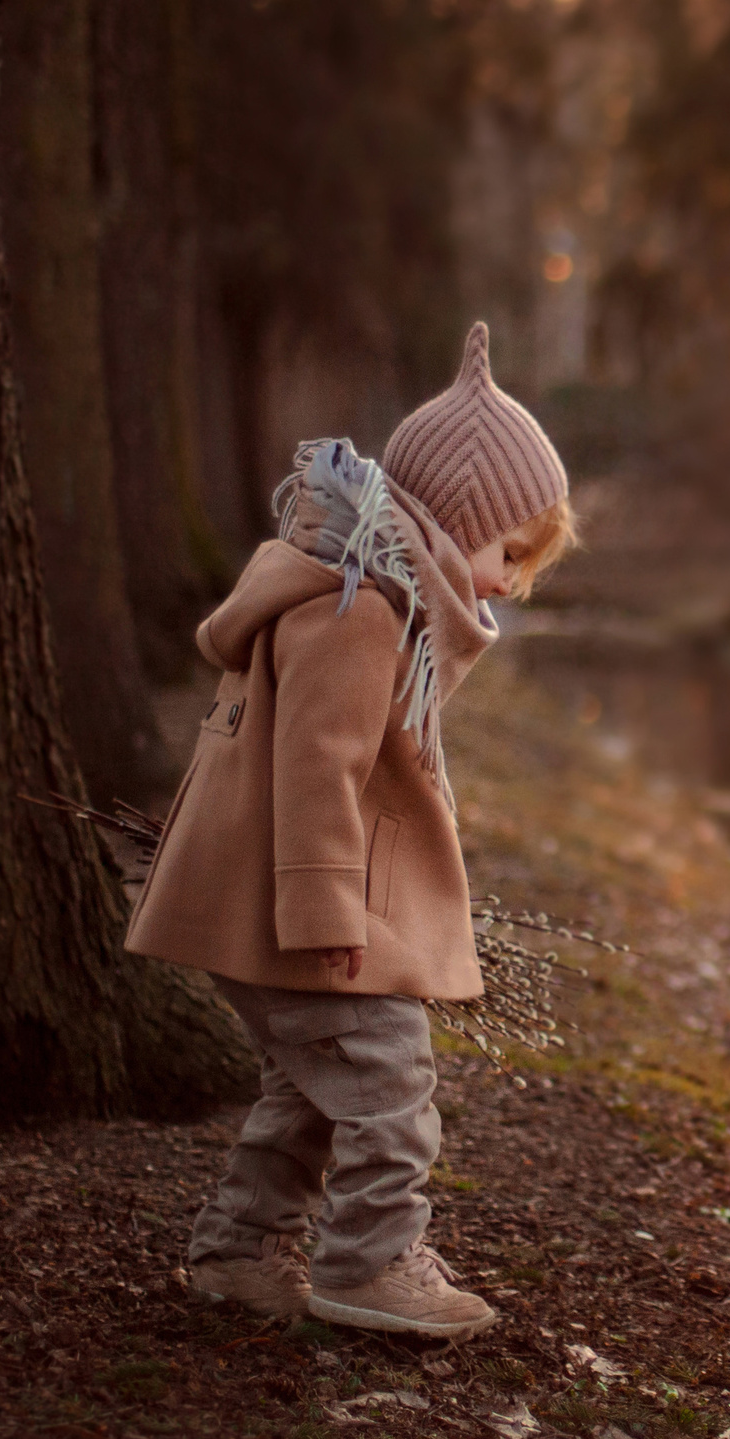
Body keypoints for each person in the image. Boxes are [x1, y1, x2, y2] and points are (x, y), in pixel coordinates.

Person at [126, 324, 576, 1340]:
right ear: (459, 517)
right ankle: (369, 1264)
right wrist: (327, 903)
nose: (505, 582)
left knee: (310, 1087)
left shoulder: (371, 591)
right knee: (388, 1078)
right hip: (302, 907)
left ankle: (239, 1252)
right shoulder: (360, 608)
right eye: (506, 551)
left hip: (276, 901)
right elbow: (314, 766)